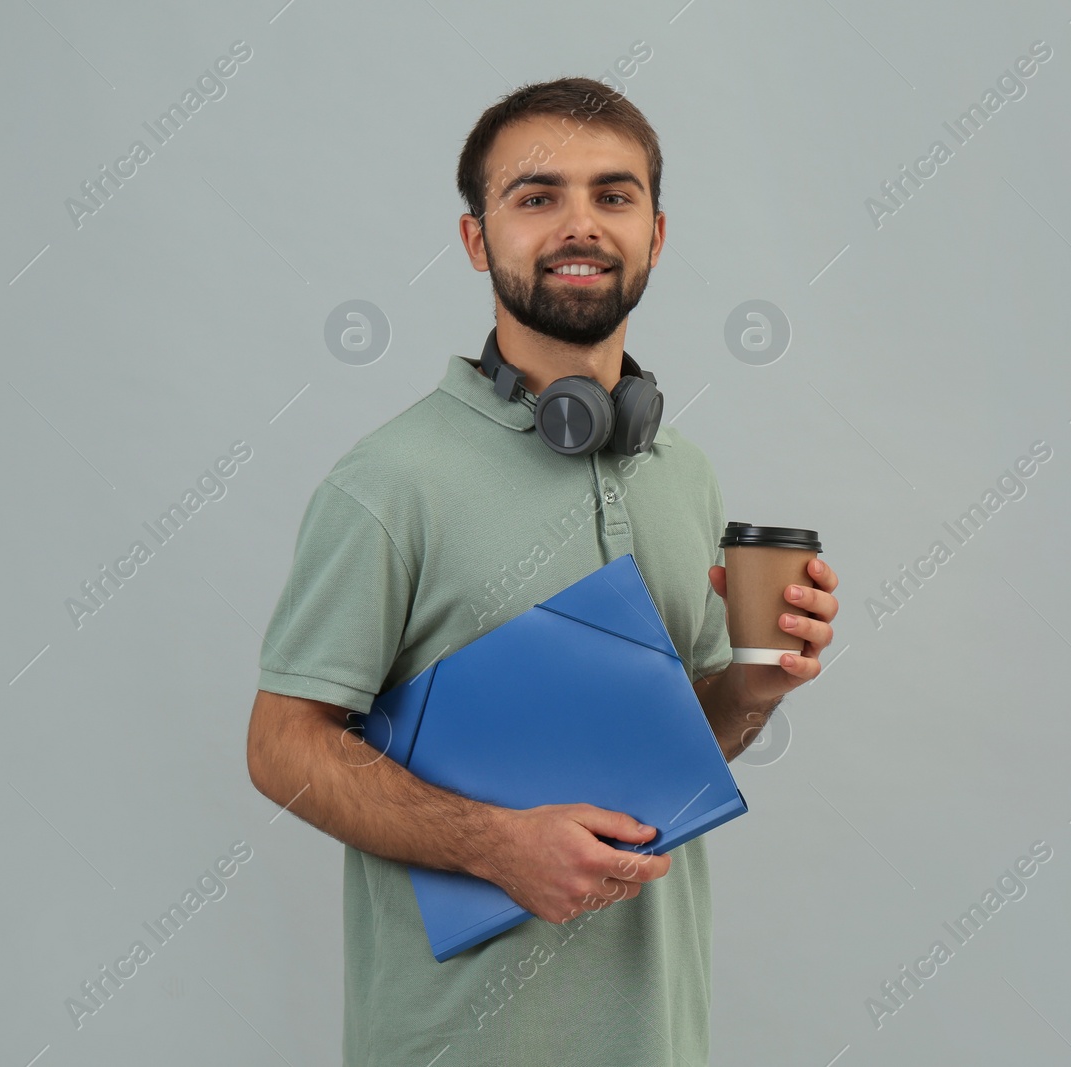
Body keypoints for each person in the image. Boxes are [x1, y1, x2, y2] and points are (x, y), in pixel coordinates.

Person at [244, 76, 838, 1067]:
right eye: (536, 196)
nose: (580, 224)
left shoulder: (682, 471)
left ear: (655, 230)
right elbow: (279, 744)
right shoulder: (389, 481)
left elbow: (675, 749)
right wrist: (490, 841)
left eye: (613, 195)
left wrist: (750, 685)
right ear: (478, 239)